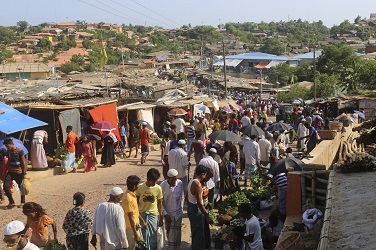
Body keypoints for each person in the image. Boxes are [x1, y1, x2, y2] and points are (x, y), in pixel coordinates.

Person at [187, 165, 214, 250]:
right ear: (202, 174)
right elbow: (199, 203)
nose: (205, 177)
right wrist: (207, 216)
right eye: (205, 175)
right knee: (199, 235)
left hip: (192, 208)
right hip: (196, 210)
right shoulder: (197, 184)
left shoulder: (192, 180)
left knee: (197, 232)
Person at [136, 168, 163, 250]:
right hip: (142, 215)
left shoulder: (158, 188)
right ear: (148, 179)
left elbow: (160, 203)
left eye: (156, 181)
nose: (155, 183)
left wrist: (161, 217)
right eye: (153, 181)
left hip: (153, 215)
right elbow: (136, 202)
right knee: (143, 236)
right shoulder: (140, 187)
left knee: (153, 236)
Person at [160, 169, 184, 250]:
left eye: (176, 179)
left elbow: (182, 197)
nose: (174, 181)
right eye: (173, 179)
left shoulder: (180, 183)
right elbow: (160, 203)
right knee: (169, 234)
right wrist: (165, 214)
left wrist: (181, 209)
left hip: (178, 214)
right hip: (168, 214)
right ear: (168, 178)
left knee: (177, 235)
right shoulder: (162, 186)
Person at [123, 175, 147, 250]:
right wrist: (135, 234)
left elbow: (135, 212)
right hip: (131, 228)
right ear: (134, 186)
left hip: (135, 225)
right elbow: (130, 217)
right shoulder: (128, 198)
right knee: (132, 247)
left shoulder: (132, 195)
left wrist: (143, 221)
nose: (138, 186)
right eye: (137, 185)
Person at [3, 138, 27, 209]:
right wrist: (5, 171)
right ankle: (11, 202)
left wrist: (24, 172)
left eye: (8, 146)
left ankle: (23, 202)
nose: (7, 147)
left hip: (18, 172)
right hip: (10, 171)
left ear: (11, 144)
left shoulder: (20, 151)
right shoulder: (8, 152)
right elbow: (8, 162)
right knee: (5, 186)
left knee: (21, 187)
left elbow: (23, 162)